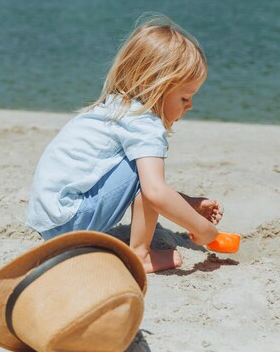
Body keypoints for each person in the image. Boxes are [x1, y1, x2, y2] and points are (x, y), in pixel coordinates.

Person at [26, 14, 223, 273]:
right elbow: (153, 193)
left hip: (50, 223)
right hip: (70, 226)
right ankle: (139, 255)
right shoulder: (145, 123)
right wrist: (204, 230)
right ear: (158, 88)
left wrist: (190, 205)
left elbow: (135, 186)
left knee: (142, 172)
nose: (190, 106)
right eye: (185, 98)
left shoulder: (119, 106)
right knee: (145, 176)